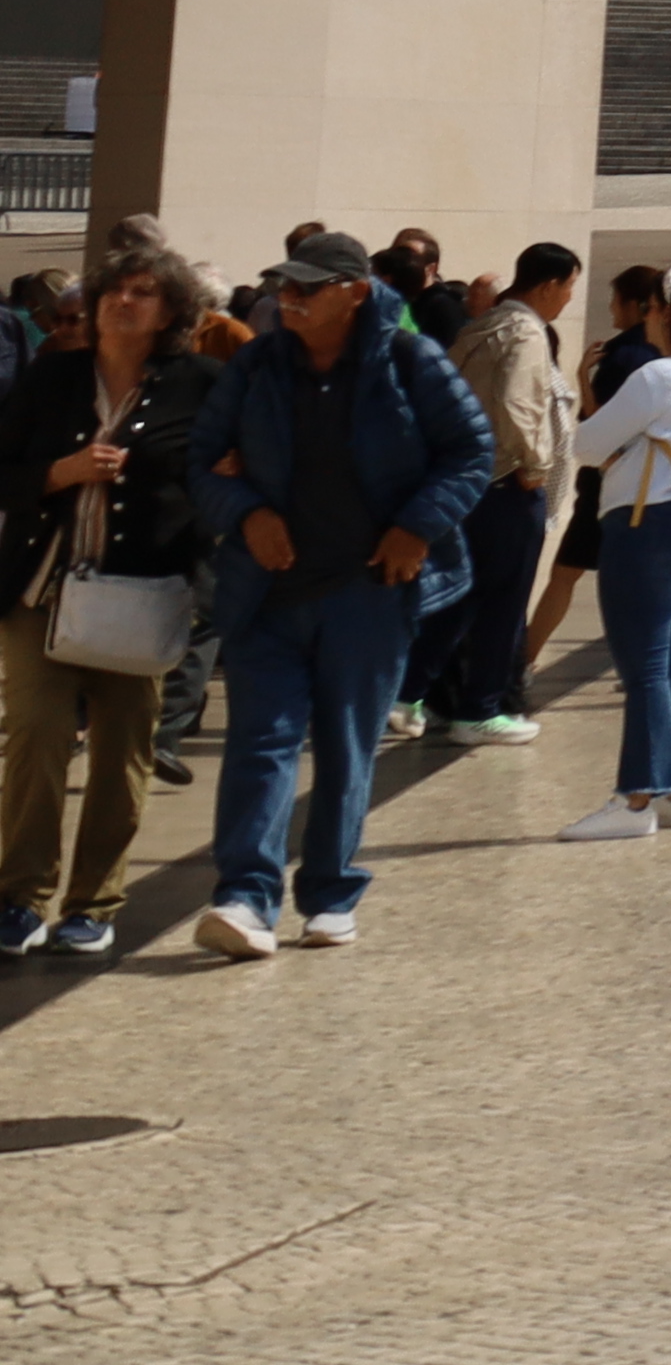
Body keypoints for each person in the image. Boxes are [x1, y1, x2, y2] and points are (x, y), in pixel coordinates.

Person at [187, 225, 496, 955]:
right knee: (261, 745)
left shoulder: (408, 359)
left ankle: (329, 894)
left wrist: (417, 528)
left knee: (346, 746)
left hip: (368, 592)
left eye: (303, 289)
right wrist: (248, 513)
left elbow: (471, 451)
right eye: (281, 288)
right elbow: (201, 460)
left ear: (354, 293)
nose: (285, 300)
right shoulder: (258, 365)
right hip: (269, 594)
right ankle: (244, 898)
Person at [2, 243, 216, 960]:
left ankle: (92, 904)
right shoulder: (52, 375)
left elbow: (221, 482)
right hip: (42, 591)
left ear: (171, 311)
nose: (123, 302)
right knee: (34, 734)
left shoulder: (201, 384)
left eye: (143, 292)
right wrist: (56, 473)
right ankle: (20, 897)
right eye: (113, 291)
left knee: (125, 749)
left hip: (142, 596)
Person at [556, 260, 671, 846]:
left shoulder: (657, 377)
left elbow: (586, 446)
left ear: (665, 312)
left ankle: (636, 798)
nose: (646, 315)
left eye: (653, 306)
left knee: (644, 667)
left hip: (648, 528)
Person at [428, 242, 576, 740]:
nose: (569, 299)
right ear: (549, 285)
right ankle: (480, 709)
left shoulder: (481, 325)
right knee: (502, 604)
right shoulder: (527, 332)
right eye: (570, 287)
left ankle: (426, 698)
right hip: (507, 485)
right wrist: (533, 466)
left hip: (470, 481)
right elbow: (518, 406)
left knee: (461, 599)